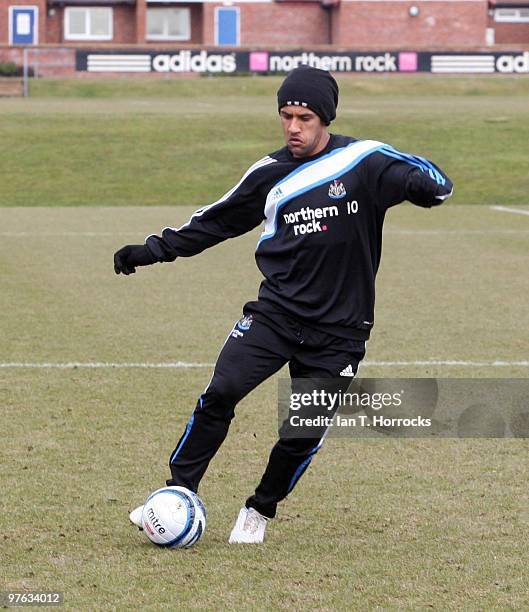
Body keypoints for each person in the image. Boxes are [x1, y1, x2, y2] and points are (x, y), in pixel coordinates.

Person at [114, 65, 453, 544]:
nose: (294, 127)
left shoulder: (364, 162)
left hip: (340, 332)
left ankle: (260, 509)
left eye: (305, 117)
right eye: (286, 116)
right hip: (275, 315)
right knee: (221, 393)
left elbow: (431, 179)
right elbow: (215, 222)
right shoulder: (269, 174)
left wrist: (423, 188)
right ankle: (177, 495)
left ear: (326, 119)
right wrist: (150, 250)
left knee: (301, 434)